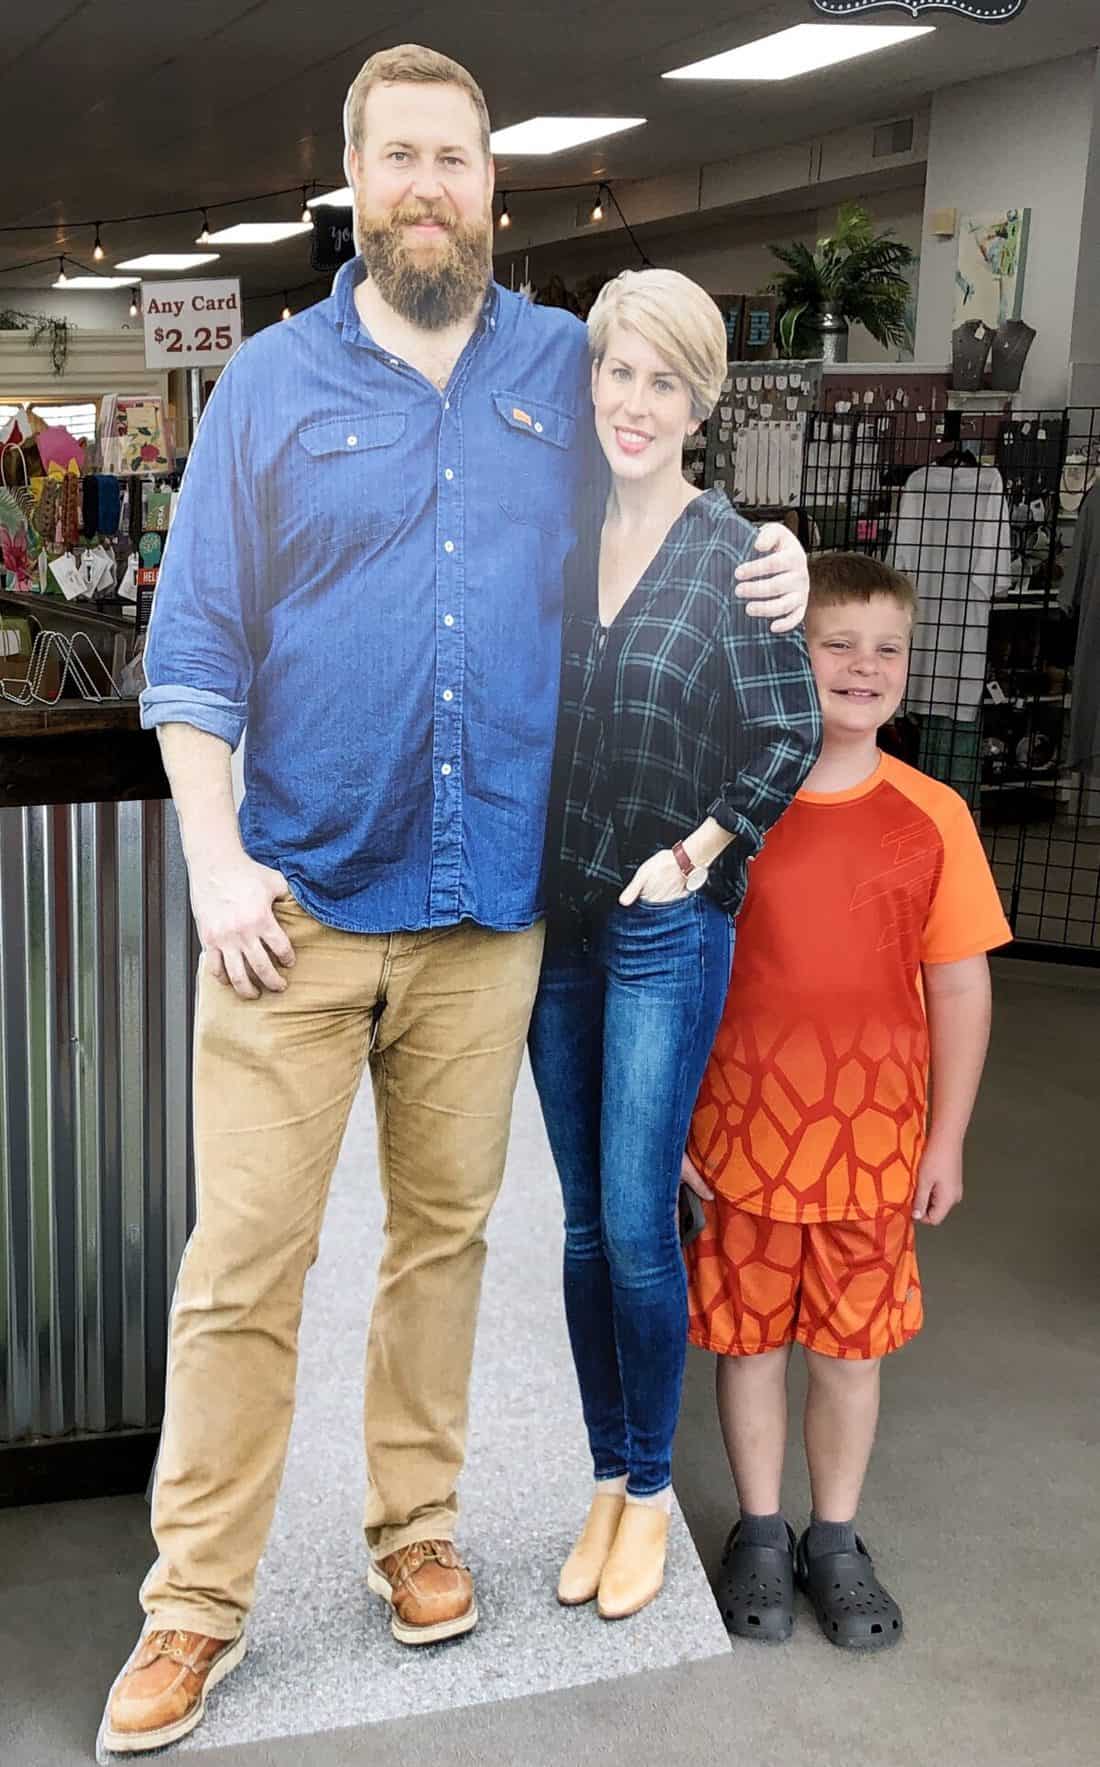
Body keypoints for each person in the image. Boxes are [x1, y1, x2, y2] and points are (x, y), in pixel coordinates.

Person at [99, 45, 812, 1756]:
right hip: (293, 911)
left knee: (441, 1244)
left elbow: (660, 461)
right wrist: (213, 859)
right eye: (400, 156)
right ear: (355, 180)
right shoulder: (269, 387)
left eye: (456, 159)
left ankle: (415, 1527)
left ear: (494, 187)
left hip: (491, 908)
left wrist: (774, 550)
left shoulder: (561, 369)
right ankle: (195, 1602)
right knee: (244, 1264)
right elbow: (193, 652)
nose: (429, 185)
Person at [527, 269, 822, 1625]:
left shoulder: (736, 556)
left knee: (641, 1222)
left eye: (663, 380)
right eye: (617, 371)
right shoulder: (559, 534)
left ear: (701, 403)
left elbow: (787, 731)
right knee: (583, 1225)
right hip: (559, 926)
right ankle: (604, 1473)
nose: (633, 402)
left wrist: (697, 852)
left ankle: (650, 1484)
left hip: (663, 929)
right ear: (589, 380)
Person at [682, 552, 1012, 1651]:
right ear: (789, 655)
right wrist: (672, 1120)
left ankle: (833, 1536)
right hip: (738, 1137)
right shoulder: (729, 812)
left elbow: (957, 984)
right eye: (837, 644)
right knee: (747, 1346)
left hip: (874, 1148)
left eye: (887, 649)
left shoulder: (932, 815)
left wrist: (946, 1138)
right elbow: (675, 970)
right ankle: (759, 1532)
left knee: (849, 1353)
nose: (864, 666)